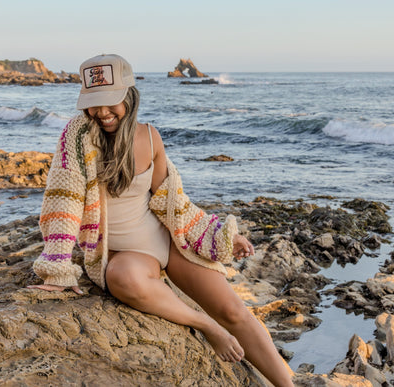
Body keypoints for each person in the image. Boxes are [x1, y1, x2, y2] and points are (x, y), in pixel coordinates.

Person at [27, 54, 294, 387]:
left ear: (129, 95)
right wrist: (57, 267)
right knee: (123, 278)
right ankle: (206, 326)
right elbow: (63, 202)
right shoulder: (77, 141)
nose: (103, 112)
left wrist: (219, 236)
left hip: (167, 242)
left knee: (234, 312)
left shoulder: (150, 137)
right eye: (94, 104)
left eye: (112, 102)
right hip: (126, 256)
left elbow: (174, 202)